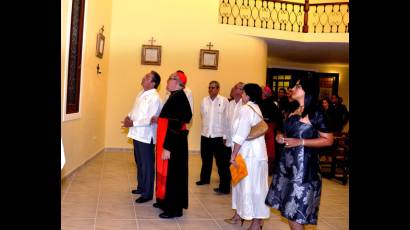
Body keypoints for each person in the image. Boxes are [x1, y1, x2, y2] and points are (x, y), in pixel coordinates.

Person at [265, 74, 334, 230]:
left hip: (304, 170)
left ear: (307, 90)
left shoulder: (316, 111)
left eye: (297, 86)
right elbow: (286, 132)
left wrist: (301, 142)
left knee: (296, 212)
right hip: (288, 166)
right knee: (288, 210)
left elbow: (328, 140)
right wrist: (280, 136)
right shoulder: (294, 109)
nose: (293, 89)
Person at [225, 83, 270, 230]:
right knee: (241, 184)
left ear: (248, 95)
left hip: (250, 155)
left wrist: (233, 154)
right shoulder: (254, 108)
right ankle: (239, 215)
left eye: (243, 93)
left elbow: (241, 133)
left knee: (253, 187)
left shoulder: (246, 109)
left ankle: (257, 222)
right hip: (252, 154)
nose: (241, 95)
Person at [152, 70, 192, 218]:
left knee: (174, 176)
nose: (167, 81)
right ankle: (164, 201)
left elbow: (176, 123)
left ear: (177, 82)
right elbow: (168, 119)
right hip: (170, 141)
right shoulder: (175, 96)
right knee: (167, 175)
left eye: (170, 78)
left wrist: (167, 147)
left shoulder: (179, 97)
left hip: (174, 144)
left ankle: (174, 209)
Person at [122, 71, 162, 203]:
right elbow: (135, 110)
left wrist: (132, 123)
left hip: (146, 136)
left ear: (153, 83)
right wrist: (128, 116)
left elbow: (149, 119)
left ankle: (147, 194)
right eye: (144, 76)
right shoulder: (141, 93)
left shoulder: (155, 97)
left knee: (147, 165)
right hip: (136, 134)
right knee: (139, 163)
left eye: (147, 77)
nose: (143, 78)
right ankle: (141, 187)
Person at [196, 80, 231, 195]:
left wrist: (225, 136)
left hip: (219, 136)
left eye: (214, 87)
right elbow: (203, 115)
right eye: (210, 87)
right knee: (206, 159)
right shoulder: (204, 100)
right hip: (206, 135)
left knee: (221, 163)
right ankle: (204, 179)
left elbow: (227, 120)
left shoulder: (224, 101)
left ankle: (224, 186)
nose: (211, 89)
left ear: (218, 89)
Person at [260, 86, 283, 175]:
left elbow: (278, 119)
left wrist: (278, 131)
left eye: (262, 92)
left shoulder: (273, 104)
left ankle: (268, 170)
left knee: (269, 152)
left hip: (269, 131)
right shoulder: (260, 103)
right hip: (262, 130)